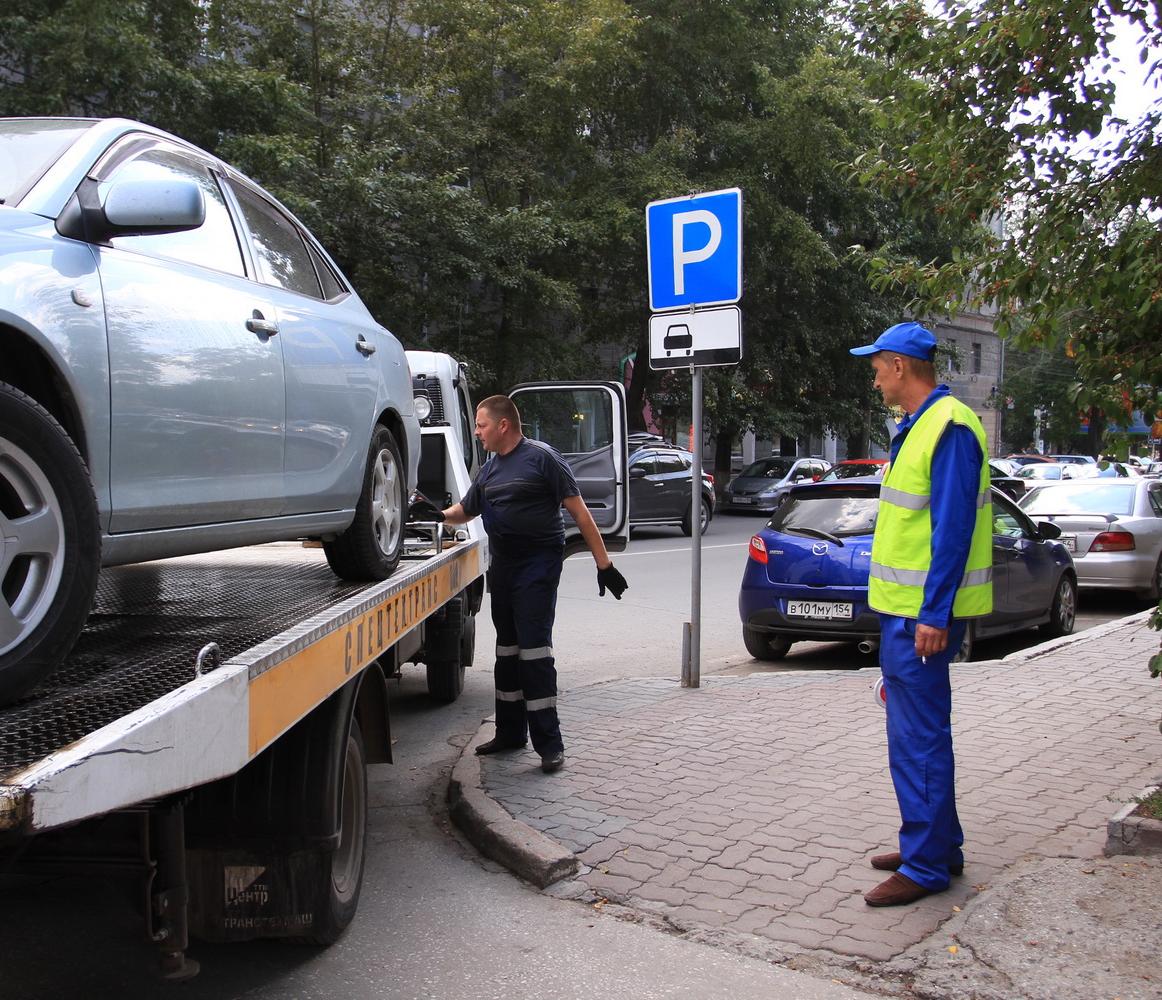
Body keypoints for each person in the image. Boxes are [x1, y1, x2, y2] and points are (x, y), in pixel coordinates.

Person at [850, 322, 993, 907]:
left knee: (918, 740)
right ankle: (937, 845)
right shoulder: (921, 425)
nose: (875, 376)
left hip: (920, 618)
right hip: (905, 612)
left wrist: (934, 614)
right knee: (917, 734)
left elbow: (952, 530)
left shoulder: (949, 426)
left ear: (901, 366)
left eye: (878, 365)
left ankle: (927, 864)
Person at [432, 394, 627, 774]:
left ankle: (550, 745)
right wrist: (437, 515)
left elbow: (580, 512)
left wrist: (604, 565)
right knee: (506, 651)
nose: (477, 432)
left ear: (503, 425)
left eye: (481, 425)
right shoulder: (489, 469)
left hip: (537, 565)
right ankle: (510, 733)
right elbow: (467, 510)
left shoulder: (543, 458)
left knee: (534, 652)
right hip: (502, 566)